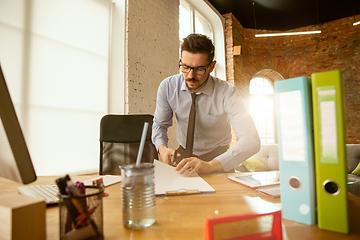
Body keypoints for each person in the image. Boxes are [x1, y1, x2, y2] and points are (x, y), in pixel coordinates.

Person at [151, 33, 260, 176]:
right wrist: (162, 148)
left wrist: (210, 165)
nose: (190, 76)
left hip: (217, 161)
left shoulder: (228, 93)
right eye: (185, 67)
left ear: (212, 66)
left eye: (199, 69)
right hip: (183, 158)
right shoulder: (168, 87)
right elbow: (160, 125)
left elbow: (251, 140)